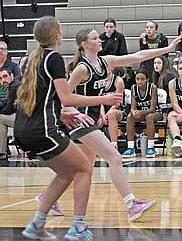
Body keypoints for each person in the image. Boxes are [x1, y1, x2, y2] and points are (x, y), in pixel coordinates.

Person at [14, 16, 122, 241]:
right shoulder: (53, 57)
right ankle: (79, 228)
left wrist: (61, 113)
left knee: (66, 174)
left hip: (24, 129)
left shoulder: (33, 58)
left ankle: (36, 225)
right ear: (56, 35)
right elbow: (66, 97)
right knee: (83, 169)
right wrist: (103, 99)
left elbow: (39, 98)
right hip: (43, 130)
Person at [65, 28, 181, 222]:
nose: (100, 39)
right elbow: (64, 97)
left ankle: (48, 197)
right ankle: (131, 204)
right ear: (84, 45)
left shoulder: (105, 62)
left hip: (92, 121)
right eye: (95, 38)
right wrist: (73, 111)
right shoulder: (81, 69)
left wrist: (165, 49)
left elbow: (137, 55)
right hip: (81, 122)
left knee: (85, 170)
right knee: (115, 157)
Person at [121, 69, 163, 158]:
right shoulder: (133, 88)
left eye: (142, 79)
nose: (139, 81)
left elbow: (152, 108)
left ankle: (151, 147)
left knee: (149, 116)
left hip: (155, 113)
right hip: (141, 114)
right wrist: (133, 112)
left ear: (147, 79)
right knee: (130, 117)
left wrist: (141, 112)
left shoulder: (153, 88)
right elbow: (132, 107)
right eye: (137, 79)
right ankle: (131, 148)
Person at [99, 66, 126, 150]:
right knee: (93, 117)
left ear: (112, 68)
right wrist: (102, 115)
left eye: (107, 67)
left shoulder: (118, 81)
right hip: (102, 110)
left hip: (119, 110)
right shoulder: (99, 81)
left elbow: (117, 102)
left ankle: (114, 145)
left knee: (111, 114)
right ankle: (96, 148)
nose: (105, 69)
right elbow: (99, 101)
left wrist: (107, 114)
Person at [0, 67, 18, 157]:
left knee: (0, 119)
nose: (3, 80)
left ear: (11, 75)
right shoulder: (13, 85)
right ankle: (1, 151)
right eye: (0, 78)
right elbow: (5, 102)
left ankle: (1, 151)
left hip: (26, 120)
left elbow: (8, 110)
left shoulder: (14, 86)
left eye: (5, 76)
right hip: (23, 117)